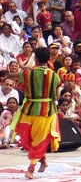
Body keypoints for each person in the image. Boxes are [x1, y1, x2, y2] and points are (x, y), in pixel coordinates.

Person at [9, 47, 61, 179]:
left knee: (29, 139)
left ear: (35, 59)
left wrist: (7, 75)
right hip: (46, 112)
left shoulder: (27, 73)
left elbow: (14, 76)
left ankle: (31, 169)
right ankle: (41, 162)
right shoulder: (55, 76)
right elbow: (56, 96)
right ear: (48, 59)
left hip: (28, 111)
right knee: (40, 139)